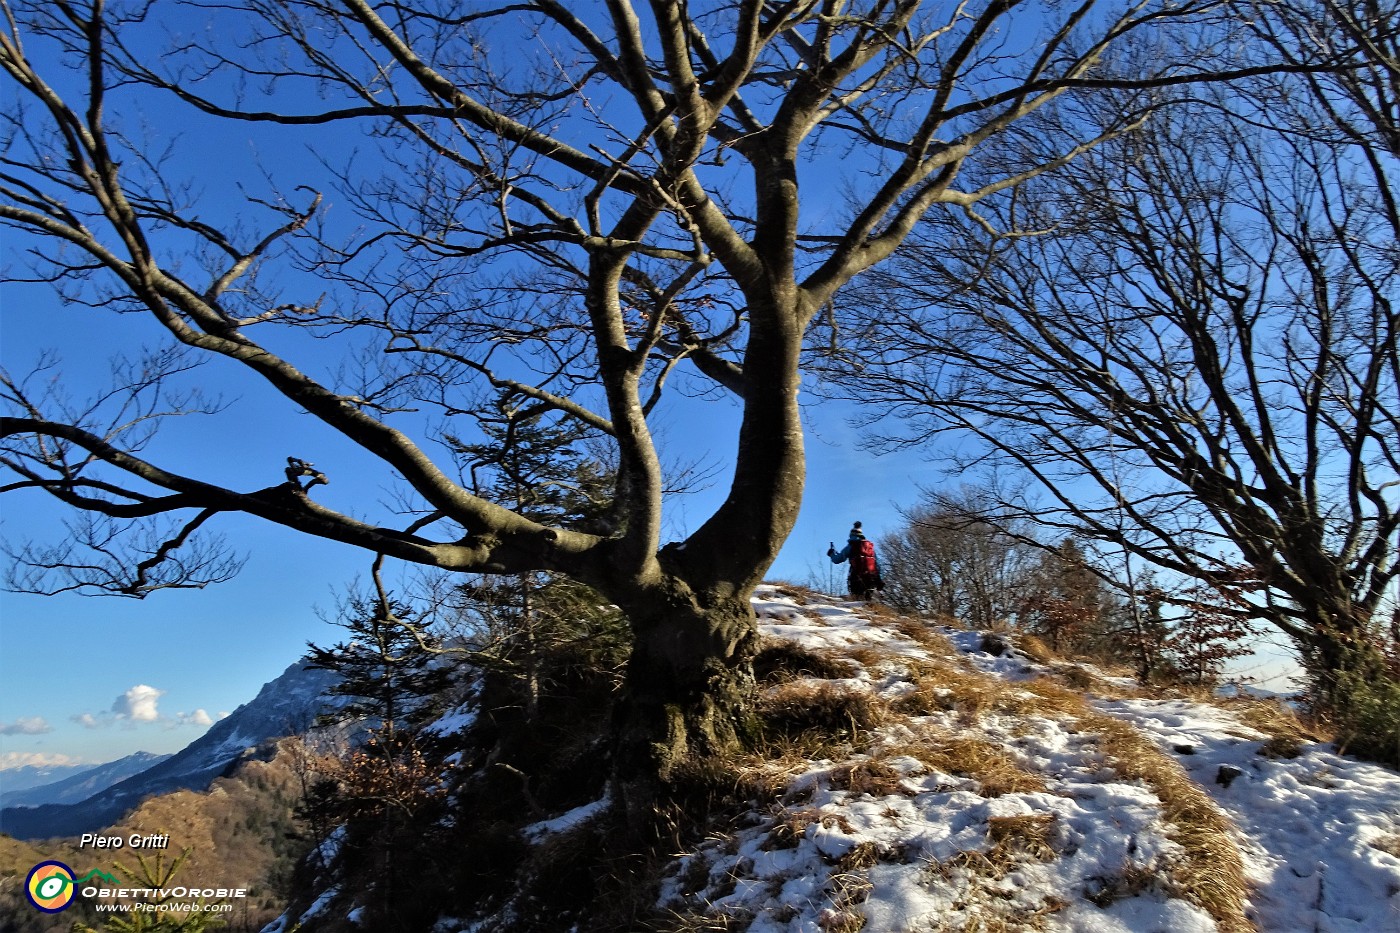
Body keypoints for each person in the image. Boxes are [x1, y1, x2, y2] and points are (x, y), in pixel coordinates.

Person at [827, 521, 884, 600]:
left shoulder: (850, 547)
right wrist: (879, 579)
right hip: (871, 578)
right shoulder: (870, 548)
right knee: (868, 601)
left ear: (851, 535)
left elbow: (837, 560)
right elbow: (877, 565)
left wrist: (831, 554)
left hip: (856, 578)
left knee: (857, 600)